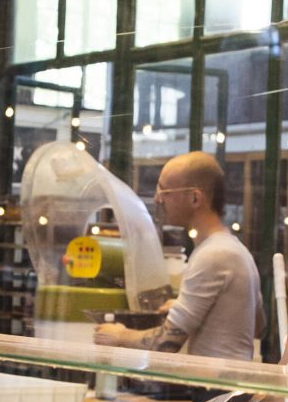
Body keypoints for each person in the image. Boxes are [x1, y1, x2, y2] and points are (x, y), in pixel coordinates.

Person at [94, 149, 262, 361]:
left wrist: (120, 335)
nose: (157, 199)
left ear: (194, 198)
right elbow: (257, 325)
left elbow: (166, 343)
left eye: (164, 191)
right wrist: (194, 309)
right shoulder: (236, 250)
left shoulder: (212, 255)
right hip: (229, 387)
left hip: (218, 390)